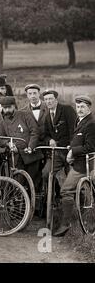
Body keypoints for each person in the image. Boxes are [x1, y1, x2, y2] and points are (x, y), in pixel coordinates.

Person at [53, 96, 95, 237]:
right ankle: (86, 219)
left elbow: (91, 146)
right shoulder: (81, 121)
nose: (80, 109)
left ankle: (66, 223)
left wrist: (72, 151)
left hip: (84, 165)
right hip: (79, 162)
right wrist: (71, 146)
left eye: (83, 107)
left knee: (66, 190)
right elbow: (80, 140)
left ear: (89, 108)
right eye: (78, 107)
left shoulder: (91, 123)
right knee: (83, 192)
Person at [0, 96, 43, 191]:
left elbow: (34, 132)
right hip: (16, 157)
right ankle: (21, 204)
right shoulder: (3, 121)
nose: (7, 110)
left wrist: (30, 147)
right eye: (4, 108)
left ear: (14, 106)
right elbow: (1, 138)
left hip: (31, 155)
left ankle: (35, 203)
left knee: (33, 183)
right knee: (18, 184)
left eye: (9, 107)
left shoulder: (25, 115)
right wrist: (8, 144)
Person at [42, 90, 77, 197]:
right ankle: (54, 197)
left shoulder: (67, 110)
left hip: (70, 150)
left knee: (73, 178)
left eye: (51, 99)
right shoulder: (47, 116)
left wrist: (72, 148)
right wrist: (50, 140)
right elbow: (45, 134)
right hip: (57, 153)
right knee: (46, 173)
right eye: (46, 99)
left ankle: (80, 202)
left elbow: (74, 130)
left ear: (56, 100)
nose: (48, 102)